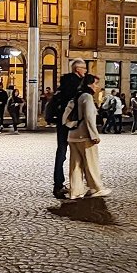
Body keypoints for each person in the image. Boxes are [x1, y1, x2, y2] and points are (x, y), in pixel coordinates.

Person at [66, 74, 111, 199]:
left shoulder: (75, 97)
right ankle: (96, 188)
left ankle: (75, 191)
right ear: (89, 84)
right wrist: (94, 135)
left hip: (72, 136)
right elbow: (89, 118)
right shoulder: (87, 97)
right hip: (85, 136)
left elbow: (65, 116)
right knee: (91, 163)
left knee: (75, 165)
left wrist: (71, 126)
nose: (97, 87)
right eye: (95, 83)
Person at [53, 58, 87, 199]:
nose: (85, 70)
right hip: (72, 123)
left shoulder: (64, 83)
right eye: (84, 68)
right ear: (77, 69)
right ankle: (78, 183)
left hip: (62, 121)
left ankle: (59, 183)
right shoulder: (77, 85)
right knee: (79, 153)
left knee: (61, 151)